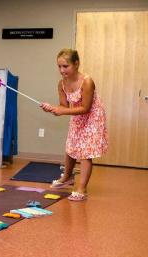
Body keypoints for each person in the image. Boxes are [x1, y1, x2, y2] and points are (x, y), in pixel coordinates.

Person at [40, 48, 108, 201]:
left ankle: (82, 189)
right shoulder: (62, 83)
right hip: (77, 115)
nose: (62, 70)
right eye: (59, 66)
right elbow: (64, 106)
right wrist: (52, 108)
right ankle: (67, 178)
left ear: (76, 64)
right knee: (71, 146)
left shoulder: (87, 82)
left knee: (85, 152)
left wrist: (62, 111)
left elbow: (85, 108)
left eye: (66, 66)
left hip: (93, 117)